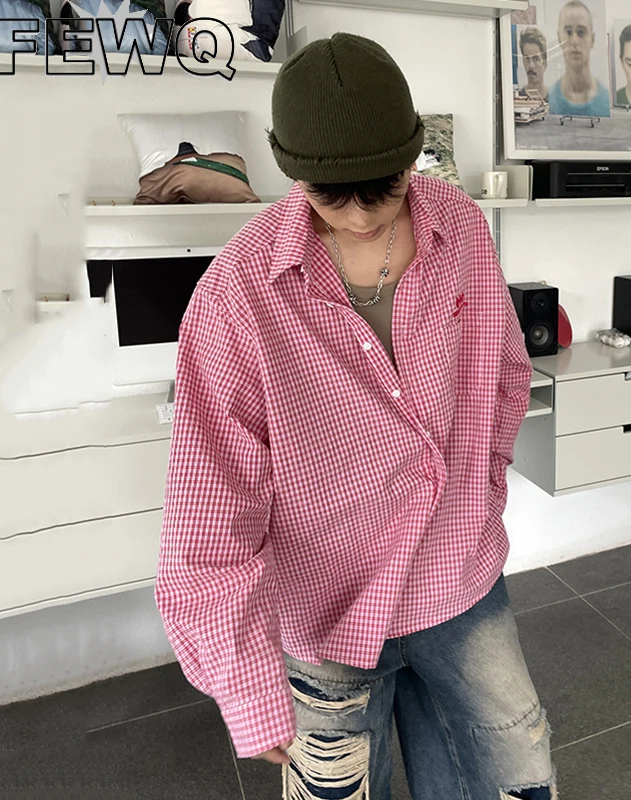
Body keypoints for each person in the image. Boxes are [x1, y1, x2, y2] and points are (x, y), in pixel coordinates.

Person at [154, 32, 557, 800]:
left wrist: (483, 484)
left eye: (384, 188)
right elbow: (208, 513)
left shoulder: (459, 226)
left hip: (459, 576)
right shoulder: (238, 294)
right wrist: (245, 683)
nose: (363, 215)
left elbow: (504, 370)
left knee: (515, 779)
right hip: (325, 608)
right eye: (331, 194)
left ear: (410, 156)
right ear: (292, 170)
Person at [548, 0, 611, 118]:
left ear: (592, 39)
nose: (574, 41)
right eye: (568, 32)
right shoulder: (550, 98)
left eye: (581, 32)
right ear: (559, 38)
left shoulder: (605, 100)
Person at [519, 26, 549, 100]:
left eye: (535, 59)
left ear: (544, 63)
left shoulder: (555, 101)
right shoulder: (517, 99)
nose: (531, 66)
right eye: (527, 59)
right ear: (523, 62)